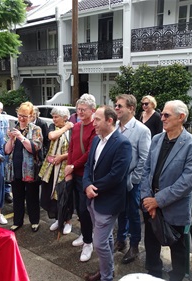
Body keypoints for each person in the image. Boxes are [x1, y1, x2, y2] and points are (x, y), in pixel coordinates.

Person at [141, 100, 192, 281]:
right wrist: (147, 198)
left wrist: (157, 201)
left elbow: (187, 182)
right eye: (162, 114)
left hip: (173, 206)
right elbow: (146, 170)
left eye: (166, 115)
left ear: (181, 117)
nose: (162, 118)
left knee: (177, 246)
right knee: (151, 242)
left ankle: (177, 276)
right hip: (149, 202)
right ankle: (153, 273)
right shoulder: (156, 139)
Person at [83, 105, 132, 281]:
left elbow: (116, 176)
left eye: (97, 119)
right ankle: (107, 272)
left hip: (108, 202)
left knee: (100, 243)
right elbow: (89, 166)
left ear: (109, 121)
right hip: (93, 199)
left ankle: (106, 277)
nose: (93, 123)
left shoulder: (123, 143)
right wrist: (87, 184)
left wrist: (92, 187)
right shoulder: (97, 139)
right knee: (106, 240)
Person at [114, 94, 151, 264]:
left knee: (133, 213)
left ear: (131, 108)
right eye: (116, 105)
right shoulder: (115, 126)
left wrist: (133, 180)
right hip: (116, 181)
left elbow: (144, 159)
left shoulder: (142, 130)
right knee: (120, 211)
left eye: (120, 106)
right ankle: (121, 240)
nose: (116, 108)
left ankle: (134, 245)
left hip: (131, 182)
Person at [64, 94, 97, 262]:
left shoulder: (95, 127)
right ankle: (86, 236)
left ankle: (89, 242)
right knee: (79, 208)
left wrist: (73, 166)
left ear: (93, 110)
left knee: (85, 210)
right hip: (75, 173)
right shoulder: (76, 126)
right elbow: (71, 148)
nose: (80, 112)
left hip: (86, 175)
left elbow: (89, 153)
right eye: (78, 109)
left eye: (83, 109)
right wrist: (69, 167)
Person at [4, 102, 43, 232]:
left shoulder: (36, 129)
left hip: (30, 170)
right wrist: (10, 139)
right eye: (20, 115)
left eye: (25, 116)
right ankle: (17, 221)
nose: (21, 119)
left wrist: (21, 137)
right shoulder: (13, 128)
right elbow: (7, 151)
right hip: (15, 169)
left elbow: (34, 148)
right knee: (17, 196)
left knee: (32, 196)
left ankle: (35, 221)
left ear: (31, 116)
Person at [39, 107, 73, 234]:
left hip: (65, 167)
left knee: (65, 195)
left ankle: (68, 221)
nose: (53, 119)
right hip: (51, 168)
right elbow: (51, 136)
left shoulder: (73, 130)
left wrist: (62, 157)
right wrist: (66, 127)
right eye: (53, 117)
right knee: (51, 195)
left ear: (65, 117)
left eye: (56, 117)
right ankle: (58, 219)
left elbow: (74, 151)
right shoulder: (54, 127)